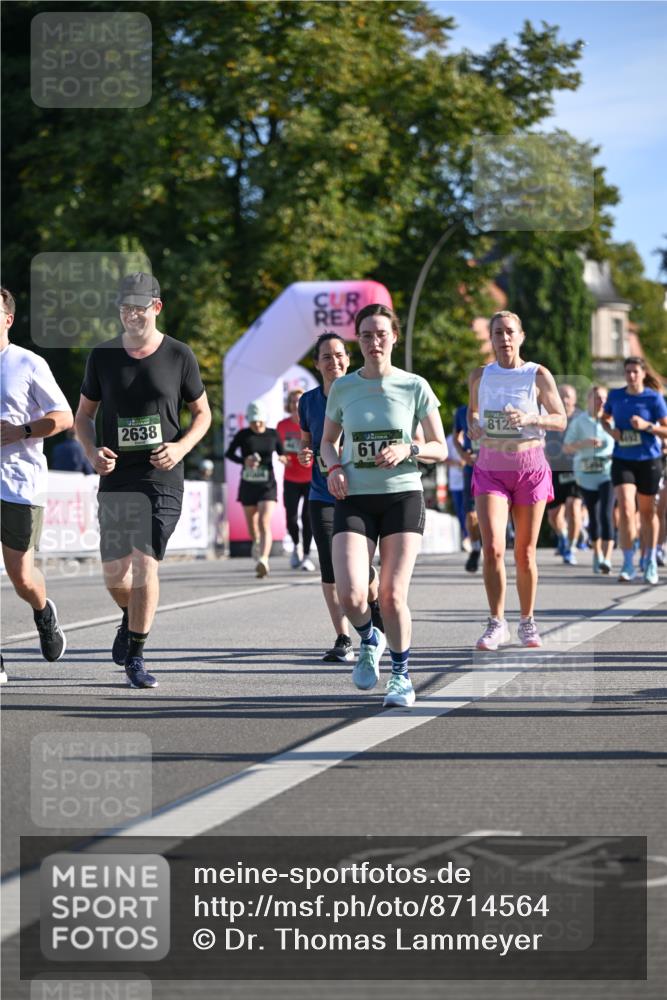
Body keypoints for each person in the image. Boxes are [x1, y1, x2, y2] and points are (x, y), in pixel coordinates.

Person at [75, 272, 211, 688]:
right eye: (123, 307)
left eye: (137, 306)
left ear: (156, 306)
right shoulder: (102, 356)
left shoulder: (178, 355)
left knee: (144, 561)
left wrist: (181, 449)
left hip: (161, 472)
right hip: (117, 474)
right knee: (116, 575)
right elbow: (83, 416)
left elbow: (203, 414)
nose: (130, 313)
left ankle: (136, 654)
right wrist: (92, 451)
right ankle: (130, 616)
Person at [321, 304, 447, 708]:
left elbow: (440, 448)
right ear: (358, 341)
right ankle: (369, 638)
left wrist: (409, 447)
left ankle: (401, 675)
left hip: (402, 495)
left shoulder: (415, 386)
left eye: (381, 334)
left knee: (391, 596)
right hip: (354, 497)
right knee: (352, 595)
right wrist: (334, 465)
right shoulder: (344, 388)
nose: (374, 342)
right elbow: (327, 441)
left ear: (394, 336)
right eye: (366, 336)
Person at [468, 310, 566, 651]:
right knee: (493, 548)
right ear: (491, 338)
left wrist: (530, 417)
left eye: (510, 332)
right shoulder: (480, 375)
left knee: (524, 553)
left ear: (521, 336)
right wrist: (475, 425)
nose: (504, 338)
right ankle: (497, 622)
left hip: (530, 466)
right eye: (498, 333)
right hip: (491, 467)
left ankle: (527, 620)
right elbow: (472, 413)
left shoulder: (536, 374)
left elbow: (560, 419)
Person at [298, 332, 383, 663]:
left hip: (361, 491)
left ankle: (372, 605)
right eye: (327, 357)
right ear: (317, 364)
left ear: (348, 359)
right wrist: (306, 454)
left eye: (339, 355)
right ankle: (343, 637)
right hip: (322, 492)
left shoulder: (365, 393)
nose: (334, 361)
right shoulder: (308, 401)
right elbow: (308, 441)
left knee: (359, 567)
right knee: (330, 566)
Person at [1, 286, 72, 682]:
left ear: (8, 318)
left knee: (22, 577)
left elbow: (62, 417)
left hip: (19, 484)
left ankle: (44, 613)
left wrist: (22, 430)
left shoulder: (28, 363)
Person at [601, 356, 667, 585]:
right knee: (627, 509)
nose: (631, 376)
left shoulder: (653, 398)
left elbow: (666, 429)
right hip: (622, 458)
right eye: (627, 371)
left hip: (649, 459)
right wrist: (611, 432)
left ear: (643, 373)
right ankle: (628, 562)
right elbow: (604, 418)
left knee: (648, 513)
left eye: (635, 372)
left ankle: (648, 560)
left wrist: (648, 426)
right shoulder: (616, 396)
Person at [225, 401, 287, 577]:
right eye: (253, 421)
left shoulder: (273, 434)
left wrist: (283, 459)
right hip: (248, 483)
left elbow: (281, 453)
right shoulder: (243, 435)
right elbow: (229, 453)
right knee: (252, 525)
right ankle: (256, 542)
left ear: (264, 419)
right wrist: (244, 461)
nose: (257, 424)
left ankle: (264, 559)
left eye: (259, 421)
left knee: (264, 522)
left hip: (267, 484)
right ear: (249, 420)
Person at [563, 385, 615, 574]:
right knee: (593, 515)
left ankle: (607, 558)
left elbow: (622, 442)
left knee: (606, 514)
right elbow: (566, 448)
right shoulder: (579, 421)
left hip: (608, 473)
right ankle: (597, 555)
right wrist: (584, 444)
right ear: (589, 400)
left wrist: (614, 454)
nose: (601, 402)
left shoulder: (612, 420)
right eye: (597, 398)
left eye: (603, 399)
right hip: (585, 474)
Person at [277, 388, 315, 571]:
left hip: (310, 477)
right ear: (289, 404)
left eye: (299, 400)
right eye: (293, 401)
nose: (296, 404)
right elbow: (279, 448)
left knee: (307, 517)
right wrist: (282, 456)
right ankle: (296, 546)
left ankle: (307, 555)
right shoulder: (282, 426)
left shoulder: (311, 422)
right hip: (290, 477)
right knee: (291, 517)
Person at [545, 384, 583, 565]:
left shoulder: (582, 418)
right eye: (561, 396)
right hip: (554, 470)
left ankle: (570, 547)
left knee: (573, 507)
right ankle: (564, 536)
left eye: (568, 396)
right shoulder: (550, 419)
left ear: (575, 399)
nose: (565, 399)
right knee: (553, 516)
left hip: (576, 469)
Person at [453, 403, 482, 572]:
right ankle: (476, 548)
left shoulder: (496, 406)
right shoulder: (462, 411)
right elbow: (456, 437)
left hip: (495, 467)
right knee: (471, 514)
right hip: (472, 469)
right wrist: (463, 454)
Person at [445, 429, 467, 546]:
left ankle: (471, 536)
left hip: (469, 479)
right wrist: (456, 463)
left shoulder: (469, 437)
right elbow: (443, 457)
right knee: (460, 510)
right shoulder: (449, 440)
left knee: (469, 509)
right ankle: (465, 535)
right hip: (455, 481)